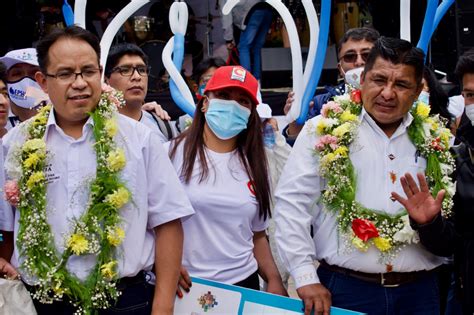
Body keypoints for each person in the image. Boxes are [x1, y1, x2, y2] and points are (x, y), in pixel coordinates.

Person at [0, 26, 194, 315]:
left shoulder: (138, 139)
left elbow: (168, 222)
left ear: (100, 74)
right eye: (65, 74)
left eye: (88, 71)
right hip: (43, 303)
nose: (79, 83)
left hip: (125, 301)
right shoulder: (16, 143)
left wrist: (162, 306)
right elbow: (6, 226)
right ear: (42, 81)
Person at [274, 37, 446, 315]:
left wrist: (430, 222)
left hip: (420, 293)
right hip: (345, 291)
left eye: (401, 85)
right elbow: (292, 205)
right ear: (361, 79)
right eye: (379, 80)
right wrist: (305, 277)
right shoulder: (321, 130)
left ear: (417, 93)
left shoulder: (435, 138)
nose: (388, 93)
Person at [167, 65, 286, 296]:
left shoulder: (256, 163)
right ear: (204, 102)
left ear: (251, 112)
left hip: (243, 286)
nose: (232, 106)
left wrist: (273, 278)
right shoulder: (169, 154)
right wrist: (161, 263)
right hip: (186, 286)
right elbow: (149, 224)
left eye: (243, 101)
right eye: (223, 96)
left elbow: (257, 235)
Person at [392, 51, 474, 315]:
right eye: (471, 95)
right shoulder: (458, 157)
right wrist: (429, 223)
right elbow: (450, 244)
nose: (473, 102)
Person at [283, 27, 380, 145]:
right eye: (350, 56)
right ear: (340, 68)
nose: (359, 62)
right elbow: (299, 154)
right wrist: (295, 122)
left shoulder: (394, 99)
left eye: (367, 55)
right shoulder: (320, 104)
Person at [105, 43, 176, 142]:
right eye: (125, 70)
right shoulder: (96, 127)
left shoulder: (162, 125)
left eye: (142, 70)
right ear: (106, 79)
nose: (137, 77)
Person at [221, 0, 273, 81]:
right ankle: (257, 81)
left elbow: (226, 16)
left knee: (243, 47)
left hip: (251, 12)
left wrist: (228, 39)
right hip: (267, 9)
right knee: (257, 48)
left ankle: (246, 81)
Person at [0, 48, 47, 129]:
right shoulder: (2, 119)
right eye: (17, 73)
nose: (26, 81)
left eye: (34, 73)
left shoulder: (62, 113)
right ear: (6, 81)